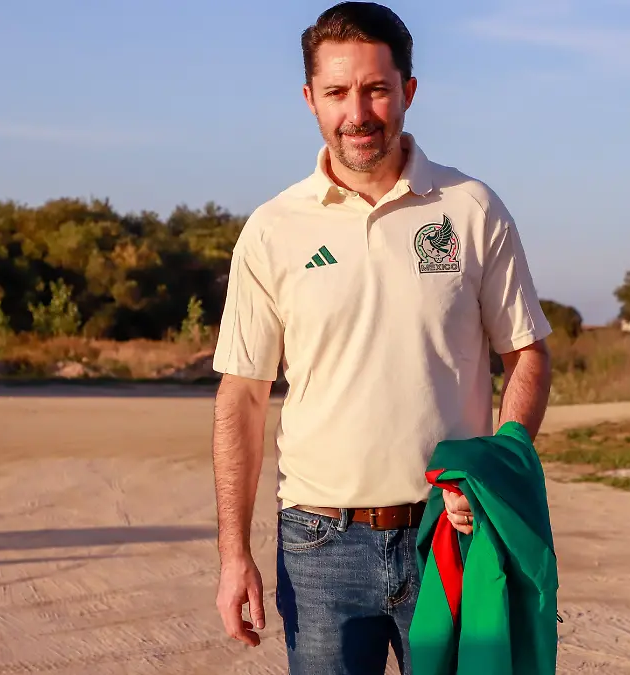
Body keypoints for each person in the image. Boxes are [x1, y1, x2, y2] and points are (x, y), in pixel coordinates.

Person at [210, 2, 553, 673]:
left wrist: (487, 475)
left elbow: (528, 354)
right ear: (310, 99)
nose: (358, 112)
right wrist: (233, 555)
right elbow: (242, 399)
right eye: (337, 92)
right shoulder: (274, 228)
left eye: (375, 88)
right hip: (318, 547)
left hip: (448, 532)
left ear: (408, 92)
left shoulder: (471, 208)